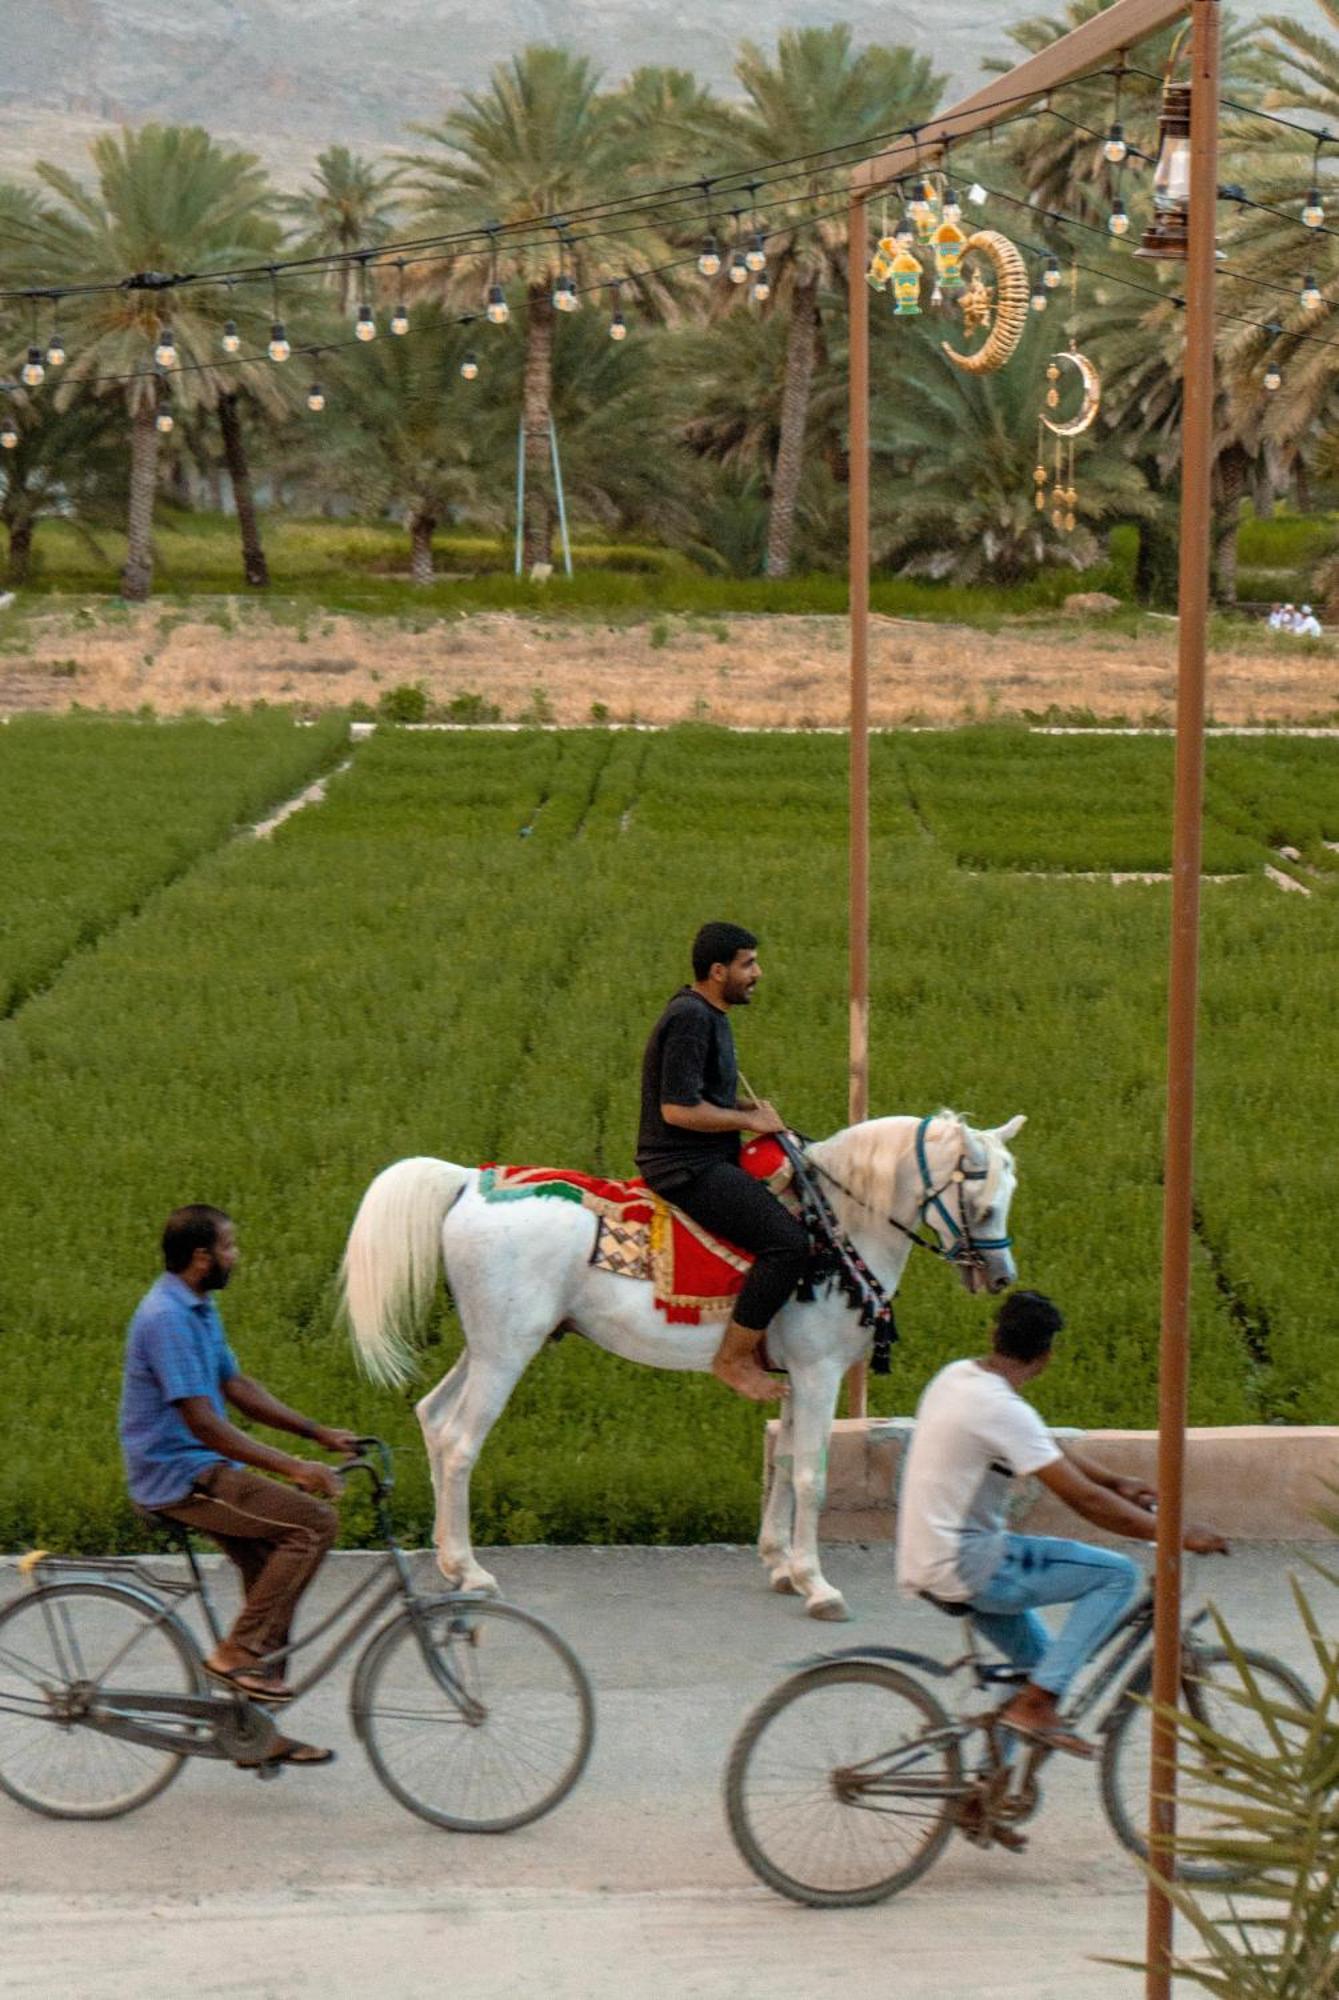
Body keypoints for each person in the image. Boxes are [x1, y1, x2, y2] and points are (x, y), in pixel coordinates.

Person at [896, 1289, 1228, 1758]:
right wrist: (1176, 1533)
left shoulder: (959, 1378)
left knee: (1039, 1664)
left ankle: (987, 1791)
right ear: (1047, 1356)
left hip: (926, 1559)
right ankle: (1039, 1704)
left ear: (994, 1333)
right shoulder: (1004, 1410)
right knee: (1117, 1575)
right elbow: (1084, 1501)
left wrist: (1116, 1481)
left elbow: (1041, 1447)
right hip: (968, 1562)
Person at [119, 1204, 359, 1760]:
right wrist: (294, 1468)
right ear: (202, 1257)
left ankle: (253, 1730)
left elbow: (237, 1385)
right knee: (312, 1526)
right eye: (229, 1247)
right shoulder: (166, 1317)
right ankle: (236, 1656)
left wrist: (316, 1432)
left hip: (203, 1465)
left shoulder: (198, 1307)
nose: (236, 1256)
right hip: (180, 1474)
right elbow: (203, 1421)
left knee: (273, 1575)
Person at [636, 921, 808, 1404]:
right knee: (787, 1243)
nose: (758, 972)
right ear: (717, 971)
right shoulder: (691, 1019)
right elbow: (677, 1109)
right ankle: (731, 1359)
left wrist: (747, 1110)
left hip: (710, 1154)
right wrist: (747, 1122)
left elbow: (703, 1093)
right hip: (683, 1165)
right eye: (747, 964)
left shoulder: (711, 1014)